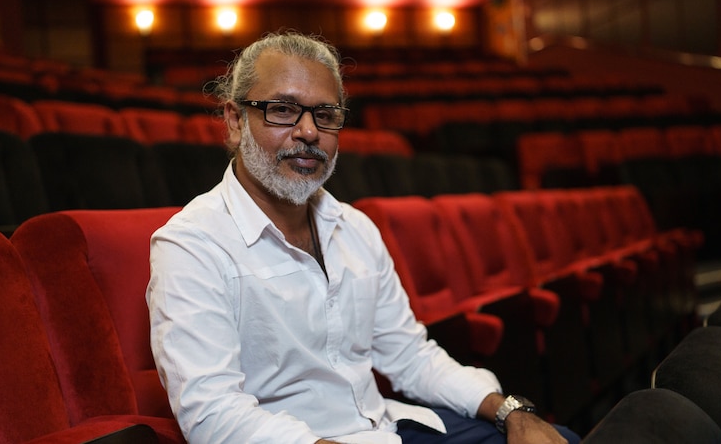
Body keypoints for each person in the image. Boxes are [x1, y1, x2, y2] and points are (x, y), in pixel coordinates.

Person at [147, 31, 580, 444]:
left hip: (387, 428)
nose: (309, 132)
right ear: (235, 120)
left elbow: (410, 357)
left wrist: (512, 411)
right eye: (282, 109)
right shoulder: (191, 245)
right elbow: (213, 415)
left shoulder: (355, 227)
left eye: (325, 114)